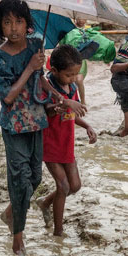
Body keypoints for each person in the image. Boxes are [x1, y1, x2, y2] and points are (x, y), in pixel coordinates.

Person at [0, 0, 86, 255]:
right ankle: (18, 237)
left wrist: (59, 98)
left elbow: (40, 81)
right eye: (7, 22)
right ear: (0, 26)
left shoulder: (35, 44)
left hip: (37, 122)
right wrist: (30, 68)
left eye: (19, 21)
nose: (14, 28)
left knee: (34, 178)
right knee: (20, 180)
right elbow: (8, 97)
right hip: (13, 125)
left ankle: (10, 214)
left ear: (27, 24)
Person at [36, 45, 96, 237]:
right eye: (69, 75)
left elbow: (74, 111)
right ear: (54, 70)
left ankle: (45, 202)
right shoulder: (47, 85)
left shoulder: (71, 87)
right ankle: (58, 232)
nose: (73, 78)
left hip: (67, 142)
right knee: (63, 186)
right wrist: (58, 106)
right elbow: (46, 110)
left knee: (75, 185)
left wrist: (86, 125)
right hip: (51, 143)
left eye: (76, 74)